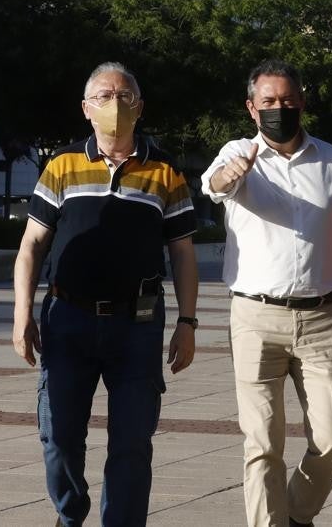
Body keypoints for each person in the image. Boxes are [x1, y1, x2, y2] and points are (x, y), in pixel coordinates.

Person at [11, 62, 200, 526]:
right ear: (85, 109)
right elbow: (32, 245)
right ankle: (70, 514)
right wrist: (22, 314)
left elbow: (183, 253)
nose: (113, 103)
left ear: (140, 106)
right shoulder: (62, 165)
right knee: (58, 436)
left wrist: (187, 323)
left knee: (133, 442)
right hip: (67, 319)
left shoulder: (165, 170)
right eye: (102, 95)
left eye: (123, 95)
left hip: (136, 324)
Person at [201, 60, 332, 527]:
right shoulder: (238, 153)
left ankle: (297, 514)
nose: (279, 109)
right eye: (269, 102)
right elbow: (213, 185)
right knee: (261, 444)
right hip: (256, 318)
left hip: (322, 317)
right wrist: (230, 175)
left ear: (302, 103)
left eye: (288, 101)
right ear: (251, 108)